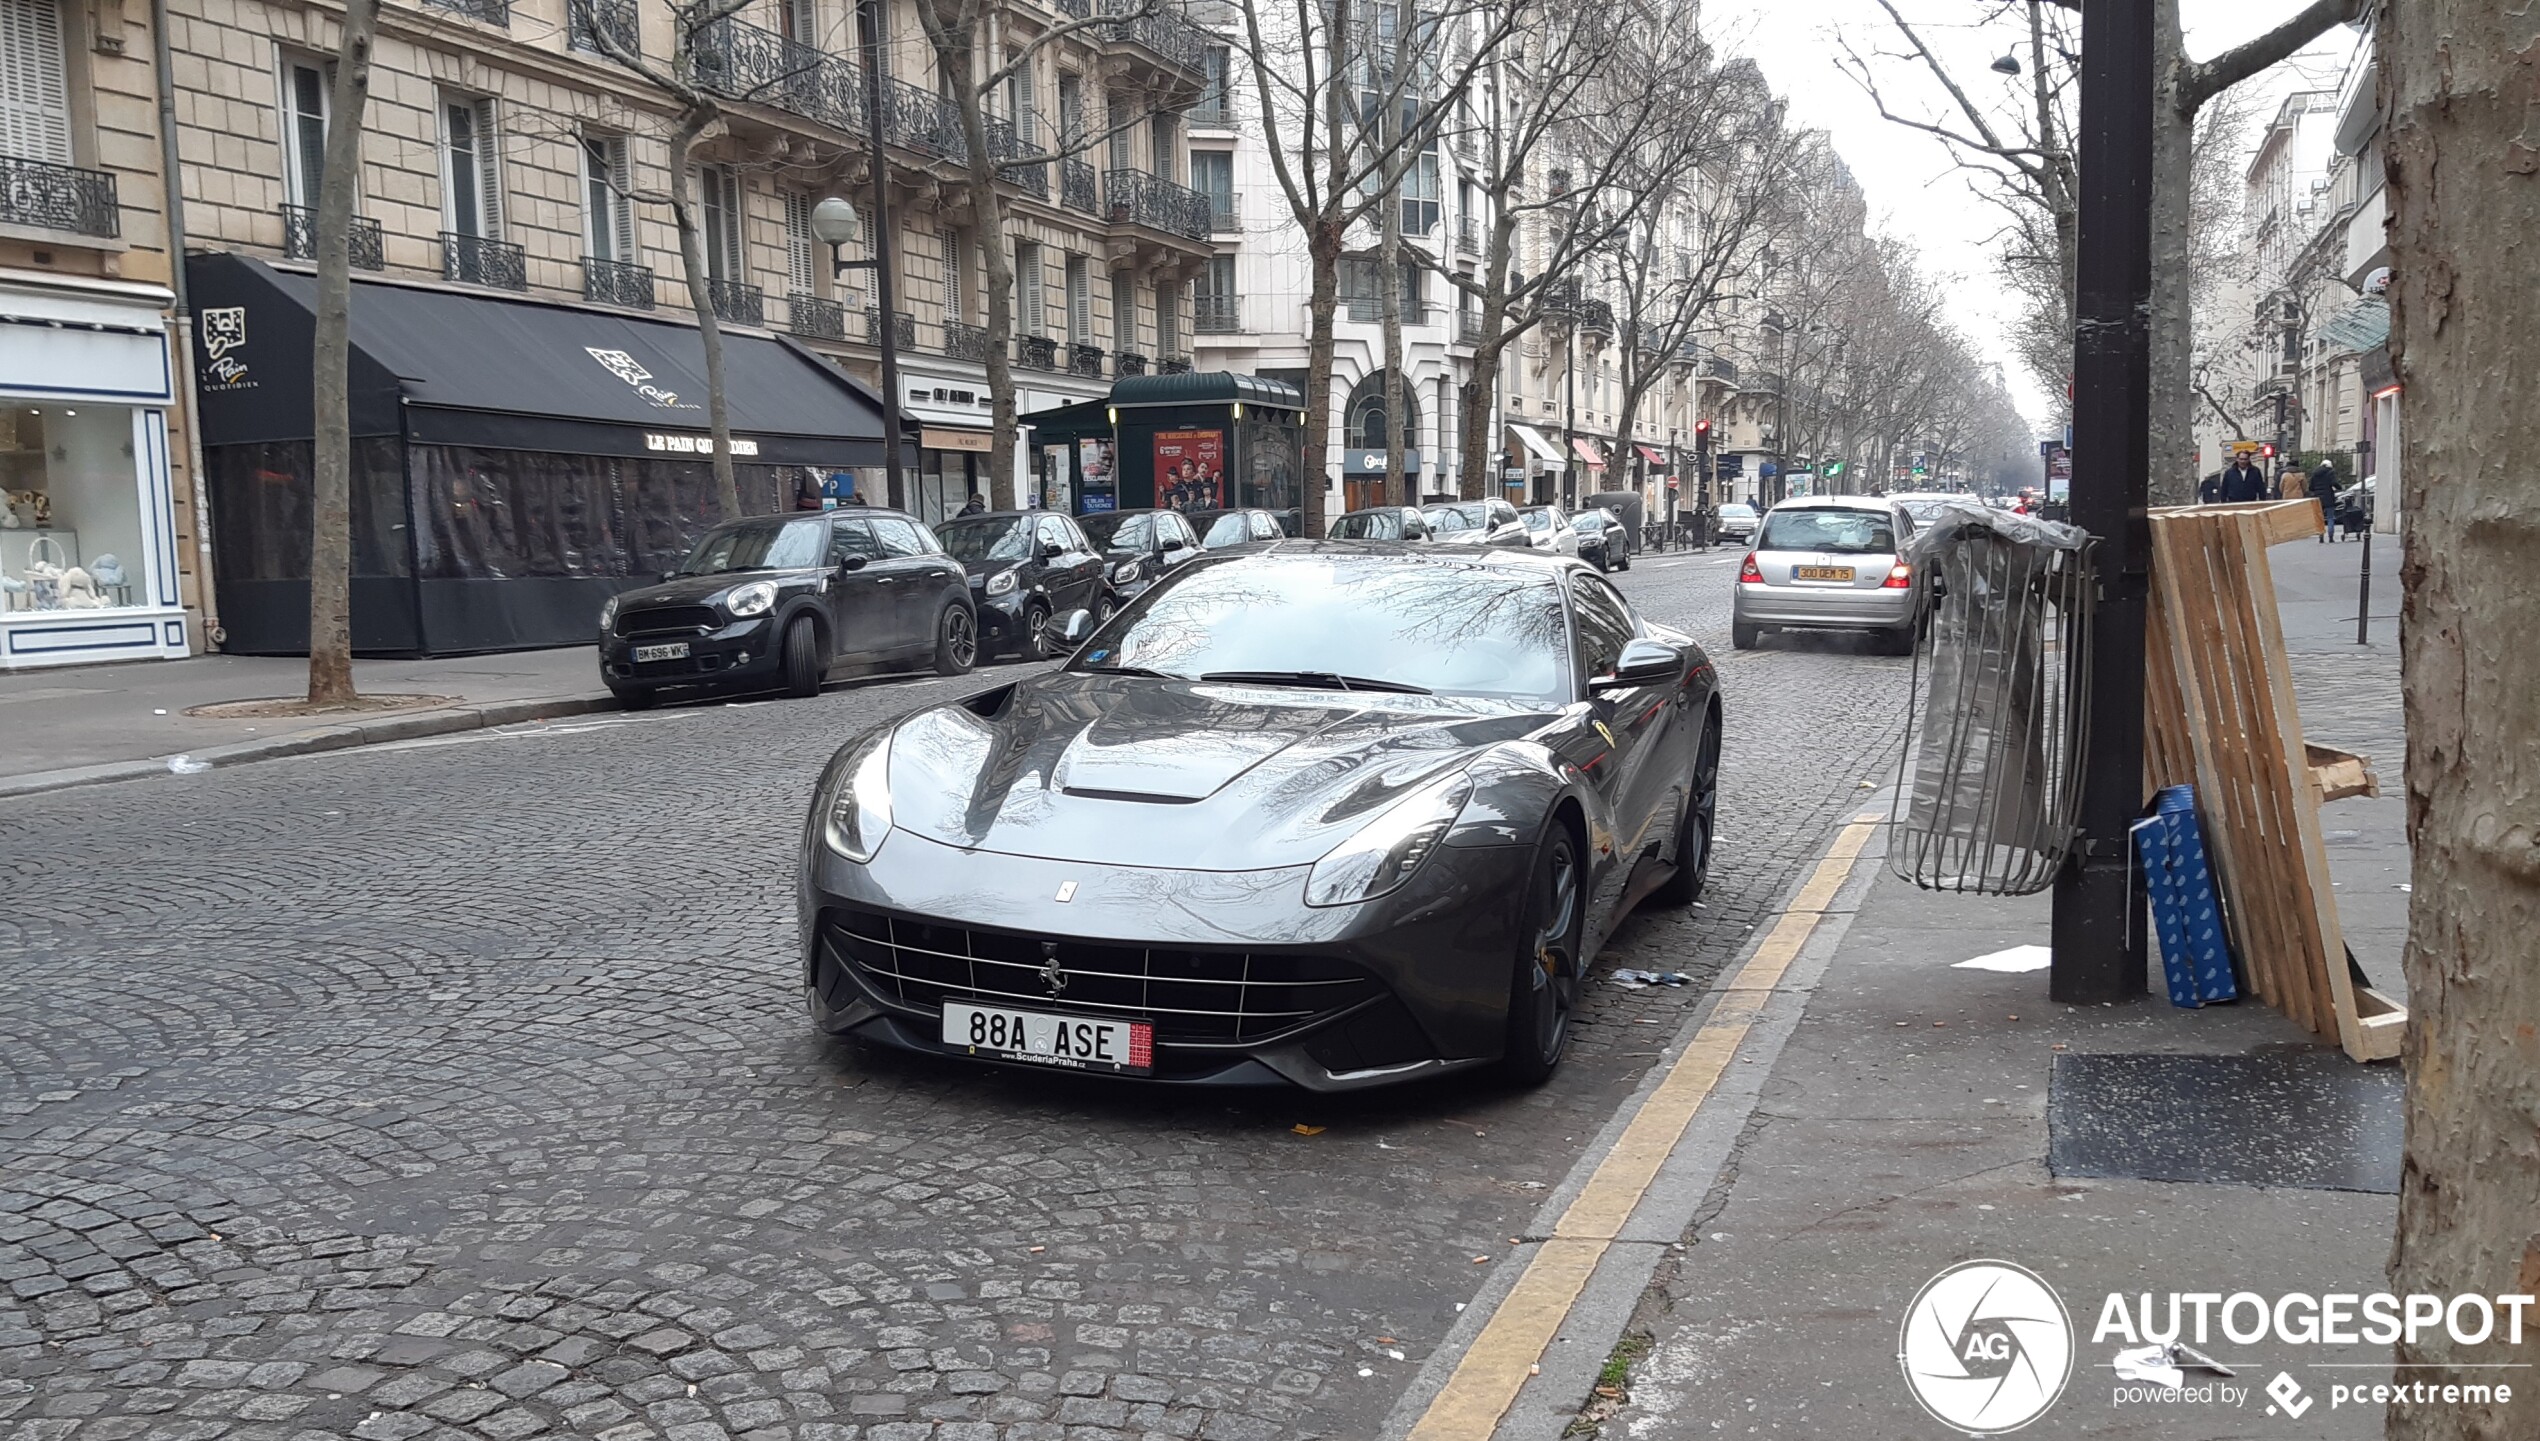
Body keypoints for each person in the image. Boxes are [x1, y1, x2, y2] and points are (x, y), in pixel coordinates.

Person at [2307, 458, 2341, 540]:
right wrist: (2339, 487)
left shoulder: (2315, 473)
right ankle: (2330, 536)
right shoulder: (2330, 472)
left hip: (2318, 498)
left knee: (2320, 517)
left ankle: (2321, 535)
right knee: (2330, 517)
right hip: (2328, 497)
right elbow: (2334, 483)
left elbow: (2311, 487)